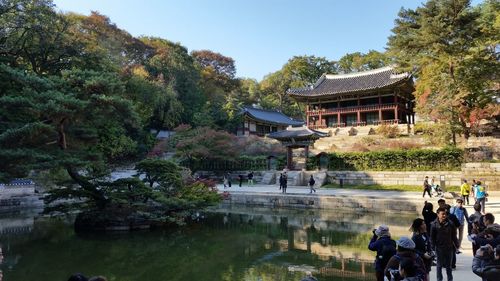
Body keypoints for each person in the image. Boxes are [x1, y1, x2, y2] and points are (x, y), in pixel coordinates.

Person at [430, 207, 458, 281]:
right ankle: (439, 279)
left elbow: (454, 236)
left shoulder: (451, 224)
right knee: (439, 265)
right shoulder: (434, 224)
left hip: (449, 248)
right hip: (439, 248)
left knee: (449, 266)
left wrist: (457, 245)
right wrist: (432, 248)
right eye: (442, 214)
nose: (444, 216)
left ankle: (450, 279)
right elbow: (432, 237)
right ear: (438, 214)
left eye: (445, 214)